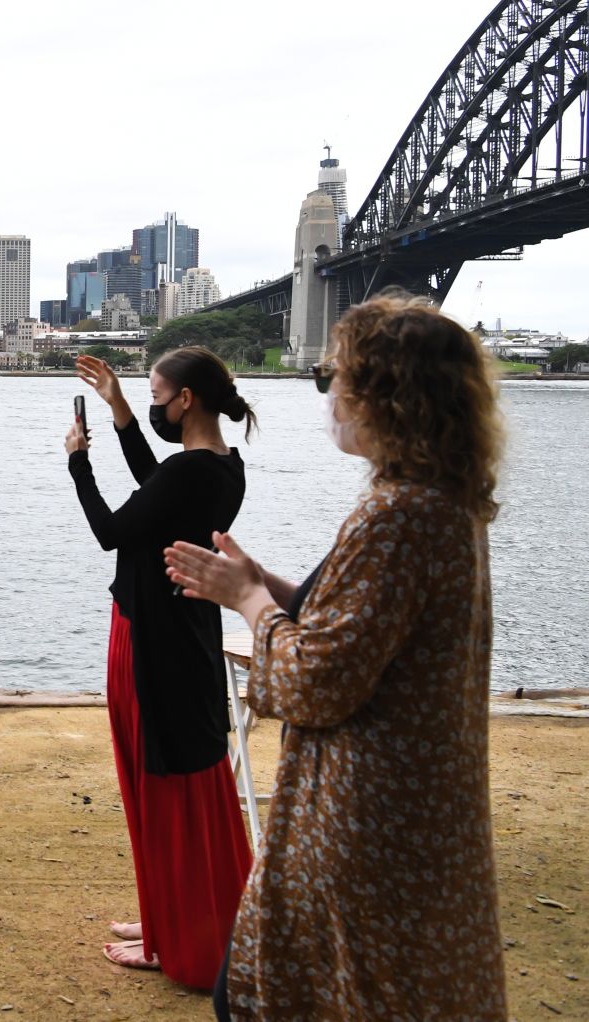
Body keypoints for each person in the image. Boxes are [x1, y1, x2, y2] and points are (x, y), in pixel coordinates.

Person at [165, 294, 507, 1021]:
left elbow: (314, 681)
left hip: (365, 816)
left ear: (384, 396)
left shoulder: (399, 513)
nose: (329, 397)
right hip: (411, 812)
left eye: (336, 378)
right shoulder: (438, 501)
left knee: (282, 994)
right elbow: (364, 624)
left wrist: (248, 601)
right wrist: (264, 583)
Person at [65, 348, 257, 987]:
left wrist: (78, 463)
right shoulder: (224, 470)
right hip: (187, 632)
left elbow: (113, 530)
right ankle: (166, 916)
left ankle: (173, 937)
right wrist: (120, 407)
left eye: (155, 394)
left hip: (153, 637)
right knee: (175, 782)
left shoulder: (188, 474)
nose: (153, 405)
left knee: (157, 781)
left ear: (185, 401)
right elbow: (158, 483)